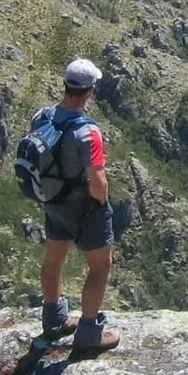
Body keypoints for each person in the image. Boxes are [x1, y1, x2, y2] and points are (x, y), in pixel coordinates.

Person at [34, 58, 120, 358]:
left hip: (53, 199)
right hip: (84, 207)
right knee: (99, 266)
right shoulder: (88, 132)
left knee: (54, 257)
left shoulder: (42, 116)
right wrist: (102, 201)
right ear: (91, 91)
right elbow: (96, 180)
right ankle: (88, 333)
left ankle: (54, 318)